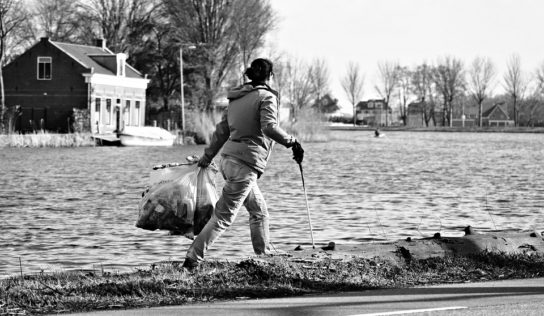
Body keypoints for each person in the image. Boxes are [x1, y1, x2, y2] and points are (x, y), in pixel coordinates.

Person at [182, 58, 304, 270]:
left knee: (259, 211)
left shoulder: (237, 99)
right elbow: (269, 127)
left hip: (229, 161)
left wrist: (207, 157)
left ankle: (264, 256)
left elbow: (221, 132)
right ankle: (192, 259)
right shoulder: (266, 97)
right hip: (245, 164)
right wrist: (292, 142)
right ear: (270, 76)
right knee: (223, 217)